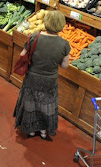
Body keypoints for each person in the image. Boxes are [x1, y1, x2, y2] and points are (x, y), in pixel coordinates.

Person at [13, 10, 70, 139]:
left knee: (31, 102)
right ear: (62, 25)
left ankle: (31, 130)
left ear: (46, 22)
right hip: (49, 80)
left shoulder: (34, 37)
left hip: (33, 76)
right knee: (47, 104)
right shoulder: (64, 45)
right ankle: (44, 130)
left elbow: (22, 55)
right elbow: (65, 65)